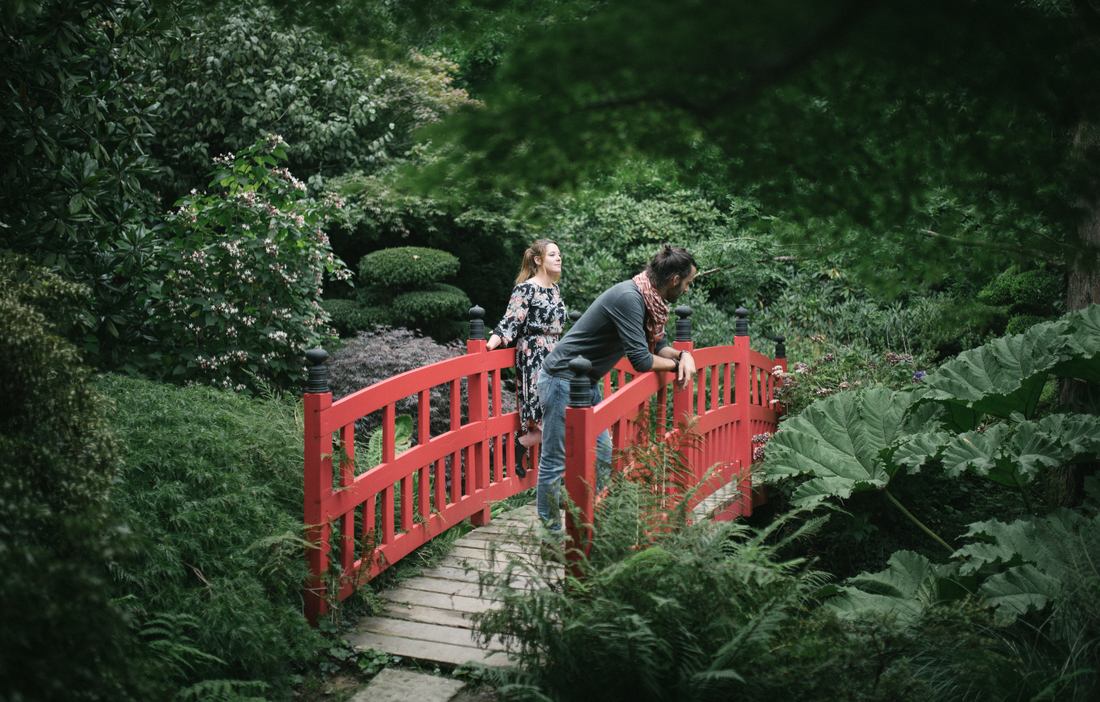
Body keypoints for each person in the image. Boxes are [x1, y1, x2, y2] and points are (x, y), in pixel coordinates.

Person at [535, 244, 698, 546]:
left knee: (602, 455)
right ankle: (550, 533)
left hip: (586, 382)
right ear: (674, 279)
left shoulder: (650, 300)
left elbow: (658, 345)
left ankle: (588, 522)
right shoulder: (630, 298)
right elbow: (642, 359)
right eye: (688, 282)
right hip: (560, 378)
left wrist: (684, 354)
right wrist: (678, 363)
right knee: (554, 458)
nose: (688, 289)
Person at [487, 239, 566, 477]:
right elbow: (512, 320)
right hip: (534, 356)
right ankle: (557, 479)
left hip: (555, 354)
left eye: (559, 254)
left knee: (559, 416)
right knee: (548, 418)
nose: (559, 258)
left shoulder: (554, 289)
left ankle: (517, 446)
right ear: (538, 260)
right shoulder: (526, 288)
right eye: (553, 254)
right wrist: (491, 344)